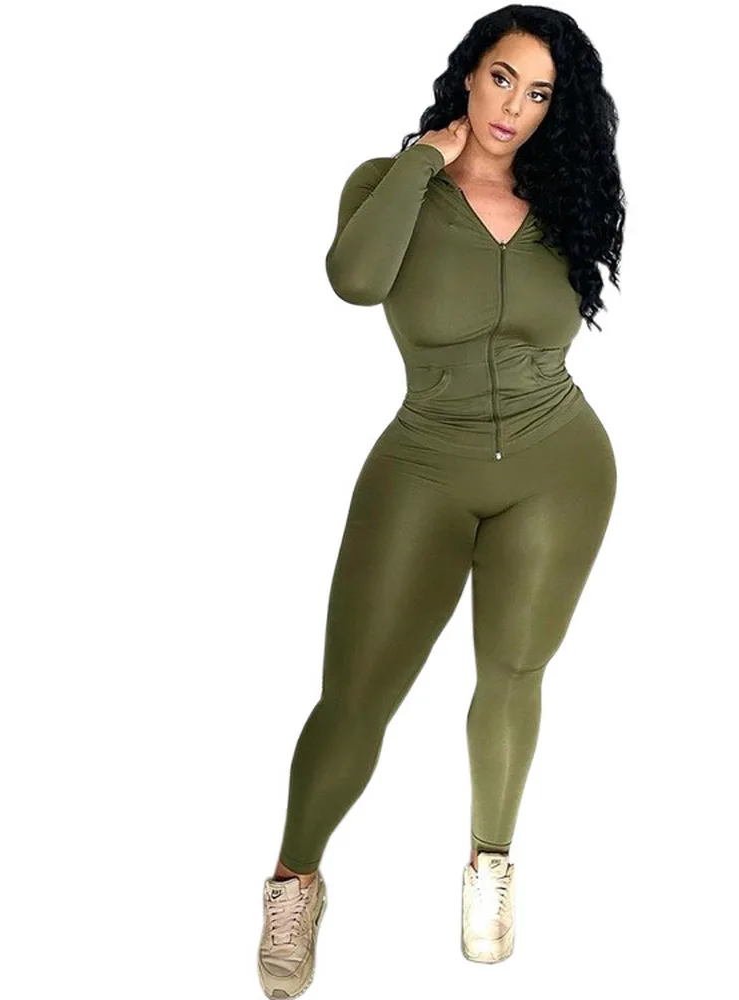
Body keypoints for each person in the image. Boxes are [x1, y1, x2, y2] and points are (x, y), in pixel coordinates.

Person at [257, 7, 625, 996]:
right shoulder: (389, 184)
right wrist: (425, 159)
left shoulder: (564, 199)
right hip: (423, 464)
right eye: (503, 78)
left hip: (558, 466)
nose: (515, 107)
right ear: (469, 74)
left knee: (512, 672)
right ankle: (295, 880)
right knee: (355, 696)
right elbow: (352, 280)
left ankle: (489, 863)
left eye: (540, 94)